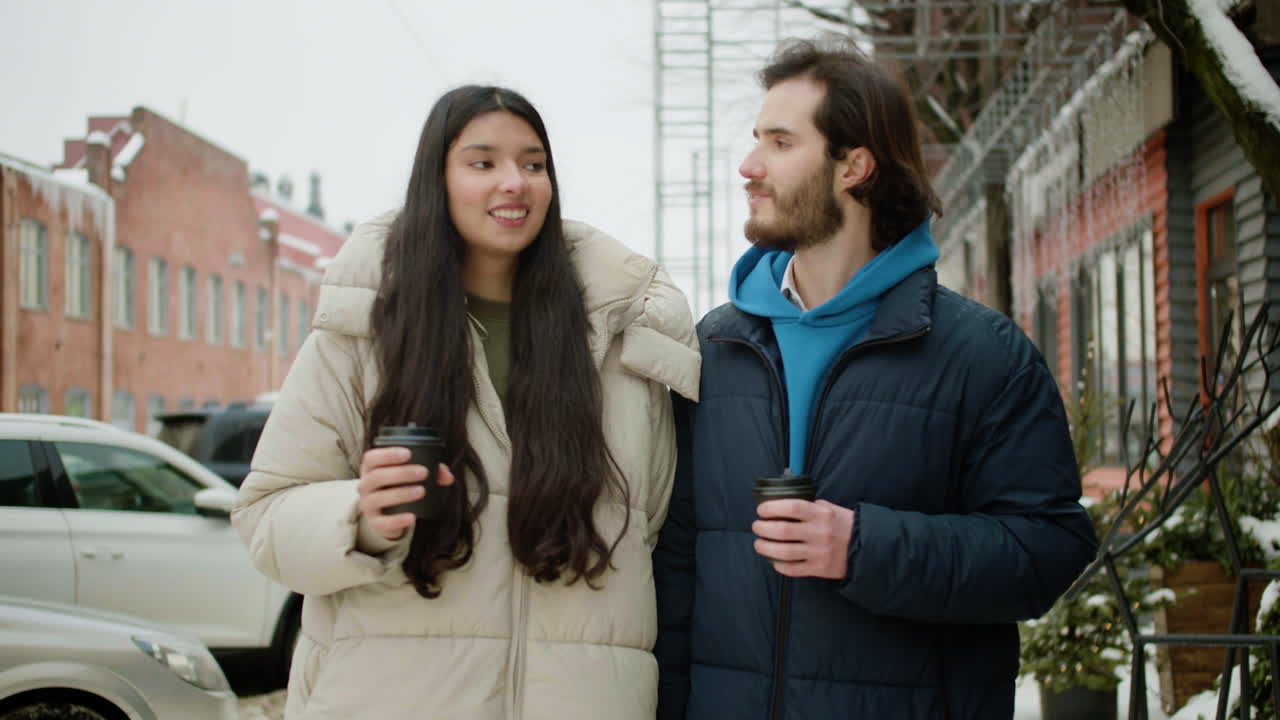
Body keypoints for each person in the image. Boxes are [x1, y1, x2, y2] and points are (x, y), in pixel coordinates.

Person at [654, 37, 1097, 720]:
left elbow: (1047, 550)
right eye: (756, 141)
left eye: (779, 142)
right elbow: (678, 568)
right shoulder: (715, 348)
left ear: (852, 166)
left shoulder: (983, 356)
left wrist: (864, 548)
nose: (748, 166)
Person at [233, 85, 700, 720]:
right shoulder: (363, 330)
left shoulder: (622, 340)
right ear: (438, 180)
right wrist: (360, 518)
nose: (515, 182)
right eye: (483, 163)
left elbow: (648, 530)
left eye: (534, 164)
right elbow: (266, 517)